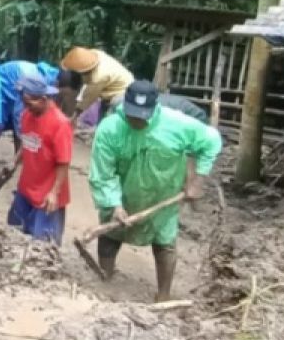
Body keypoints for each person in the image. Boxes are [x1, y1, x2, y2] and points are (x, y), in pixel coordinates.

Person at [89, 79, 222, 302]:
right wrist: (115, 203)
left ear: (154, 108)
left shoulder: (179, 124)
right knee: (111, 235)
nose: (137, 120)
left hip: (163, 194)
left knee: (164, 243)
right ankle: (105, 282)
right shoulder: (110, 129)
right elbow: (103, 172)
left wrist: (198, 180)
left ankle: (163, 295)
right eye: (132, 114)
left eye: (143, 115)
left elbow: (211, 141)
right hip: (124, 193)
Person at [7, 71, 72, 244]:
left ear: (43, 99)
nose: (26, 108)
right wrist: (15, 160)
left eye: (29, 104)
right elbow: (27, 141)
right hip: (27, 186)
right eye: (24, 103)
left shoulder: (60, 124)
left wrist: (54, 193)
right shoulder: (27, 115)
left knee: (43, 243)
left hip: (47, 194)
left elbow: (63, 162)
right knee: (15, 232)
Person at [0, 60, 61, 152]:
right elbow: (18, 116)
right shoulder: (33, 83)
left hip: (12, 81)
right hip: (4, 85)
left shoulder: (45, 80)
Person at [61, 46, 134, 125]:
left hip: (123, 94)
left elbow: (87, 99)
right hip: (113, 90)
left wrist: (74, 116)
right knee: (100, 122)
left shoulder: (98, 77)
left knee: (108, 125)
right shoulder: (95, 53)